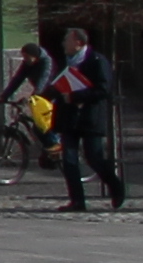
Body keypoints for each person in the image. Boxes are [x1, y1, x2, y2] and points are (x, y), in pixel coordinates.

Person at [43, 24, 127, 211]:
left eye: (67, 40)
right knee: (69, 160)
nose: (63, 43)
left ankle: (115, 186)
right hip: (69, 117)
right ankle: (77, 201)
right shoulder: (66, 62)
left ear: (79, 43)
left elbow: (103, 90)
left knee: (94, 157)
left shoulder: (97, 61)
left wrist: (75, 96)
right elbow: (60, 84)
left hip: (90, 117)